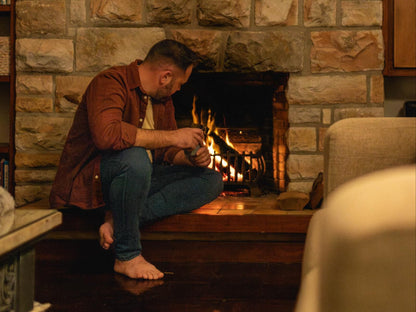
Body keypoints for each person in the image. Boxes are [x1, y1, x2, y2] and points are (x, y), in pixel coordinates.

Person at [50, 39, 224, 280]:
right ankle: (127, 256)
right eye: (180, 83)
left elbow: (164, 152)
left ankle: (117, 222)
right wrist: (174, 136)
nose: (179, 89)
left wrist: (188, 159)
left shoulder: (163, 100)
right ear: (165, 77)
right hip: (93, 184)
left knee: (211, 180)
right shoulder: (110, 82)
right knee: (135, 157)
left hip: (135, 181)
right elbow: (107, 136)